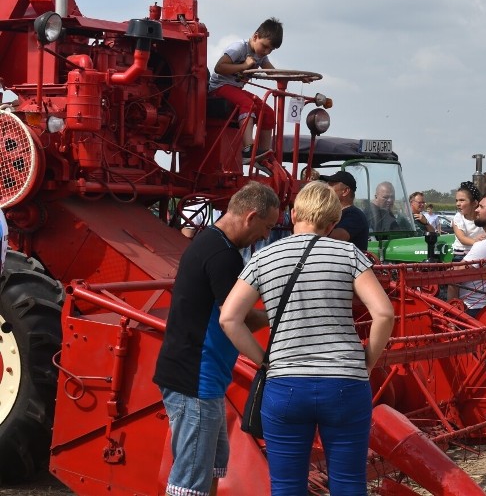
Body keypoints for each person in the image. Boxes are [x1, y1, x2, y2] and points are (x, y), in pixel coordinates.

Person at [219, 181, 395, 496]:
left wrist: (264, 361)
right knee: (349, 484)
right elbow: (383, 313)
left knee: (287, 486)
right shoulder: (347, 253)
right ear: (333, 222)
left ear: (295, 213)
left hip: (286, 384)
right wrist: (367, 362)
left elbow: (229, 318)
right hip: (344, 382)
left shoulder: (264, 257)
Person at [154, 182, 281, 496]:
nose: (265, 236)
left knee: (211, 464)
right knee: (191, 475)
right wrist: (267, 355)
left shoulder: (210, 244)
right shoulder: (223, 256)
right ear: (251, 217)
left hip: (200, 376)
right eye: (266, 227)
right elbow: (235, 320)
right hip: (196, 377)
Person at [208, 18, 284, 164]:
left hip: (234, 89)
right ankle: (248, 149)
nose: (266, 51)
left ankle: (262, 157)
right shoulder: (239, 48)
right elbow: (219, 67)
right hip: (219, 88)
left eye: (270, 50)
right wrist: (244, 66)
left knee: (268, 113)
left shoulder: (261, 55)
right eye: (265, 46)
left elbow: (273, 73)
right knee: (247, 104)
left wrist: (295, 77)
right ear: (255, 37)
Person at [321, 170, 369, 251]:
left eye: (331, 185)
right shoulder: (335, 214)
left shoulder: (355, 215)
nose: (326, 188)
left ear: (345, 191)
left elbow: (337, 238)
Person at [451, 182, 485, 261]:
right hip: (461, 255)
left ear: (475, 203)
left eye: (462, 200)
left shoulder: (482, 218)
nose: (458, 204)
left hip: (479, 254)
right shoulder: (458, 218)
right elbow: (462, 239)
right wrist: (477, 242)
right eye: (457, 200)